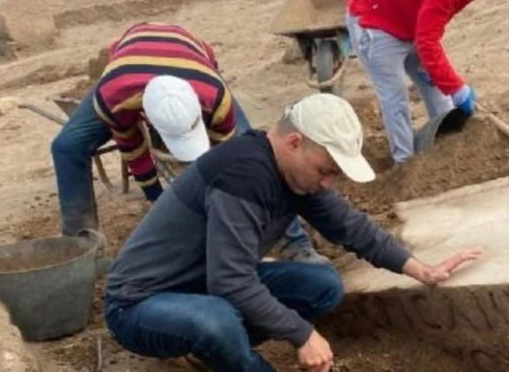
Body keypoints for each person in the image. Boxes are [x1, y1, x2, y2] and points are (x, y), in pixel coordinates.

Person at [103, 93, 482, 372]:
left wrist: (420, 269)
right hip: (140, 305)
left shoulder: (295, 173)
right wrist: (302, 335)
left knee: (323, 285)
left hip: (202, 287)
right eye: (325, 170)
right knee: (216, 320)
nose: (328, 183)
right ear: (294, 143)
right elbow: (230, 281)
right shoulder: (243, 176)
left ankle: (210, 352)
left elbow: (349, 226)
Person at [50, 21, 330, 264]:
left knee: (255, 152)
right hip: (127, 69)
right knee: (65, 147)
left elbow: (236, 159)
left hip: (192, 60)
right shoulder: (114, 98)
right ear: (145, 116)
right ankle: (83, 251)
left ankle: (297, 245)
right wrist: (161, 201)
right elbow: (133, 150)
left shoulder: (216, 97)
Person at [344, 0, 509, 164]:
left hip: (407, 22)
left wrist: (442, 78)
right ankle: (405, 165)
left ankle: (449, 149)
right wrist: (458, 88)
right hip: (372, 19)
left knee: (438, 88)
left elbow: (430, 33)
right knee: (395, 95)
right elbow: (428, 42)